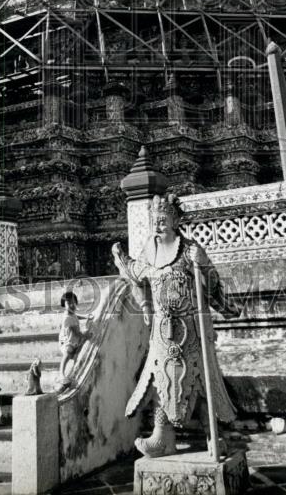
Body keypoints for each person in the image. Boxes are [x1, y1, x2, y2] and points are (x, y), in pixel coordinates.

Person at [112, 192, 239, 458]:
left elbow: (212, 287)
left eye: (163, 219)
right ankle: (162, 437)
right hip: (162, 330)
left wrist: (203, 265)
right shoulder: (149, 252)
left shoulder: (189, 250)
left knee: (202, 381)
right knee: (161, 381)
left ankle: (213, 436)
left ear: (175, 220)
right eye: (154, 220)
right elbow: (136, 276)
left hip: (191, 327)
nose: (158, 224)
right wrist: (124, 264)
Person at [58, 290, 93, 385]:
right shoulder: (67, 318)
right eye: (69, 303)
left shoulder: (71, 313)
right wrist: (86, 335)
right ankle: (61, 374)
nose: (72, 305)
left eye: (73, 302)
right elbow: (77, 333)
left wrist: (85, 317)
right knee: (68, 353)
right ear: (64, 305)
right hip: (66, 342)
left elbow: (76, 316)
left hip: (73, 339)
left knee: (75, 352)